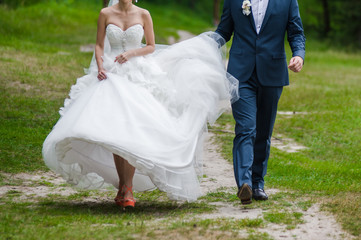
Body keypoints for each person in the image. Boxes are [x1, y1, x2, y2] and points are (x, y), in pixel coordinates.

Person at [42, 0, 238, 208]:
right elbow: (99, 45)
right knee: (116, 131)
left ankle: (127, 187)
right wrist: (100, 66)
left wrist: (131, 53)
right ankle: (124, 187)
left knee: (132, 128)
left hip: (138, 75)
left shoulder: (144, 14)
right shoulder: (105, 13)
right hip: (111, 74)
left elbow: (151, 46)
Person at [215, 0, 306, 204]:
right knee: (246, 127)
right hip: (241, 73)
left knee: (264, 131)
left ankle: (257, 183)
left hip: (272, 73)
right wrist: (203, 47)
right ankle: (244, 184)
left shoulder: (287, 1)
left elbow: (296, 32)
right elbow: (224, 30)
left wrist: (299, 55)